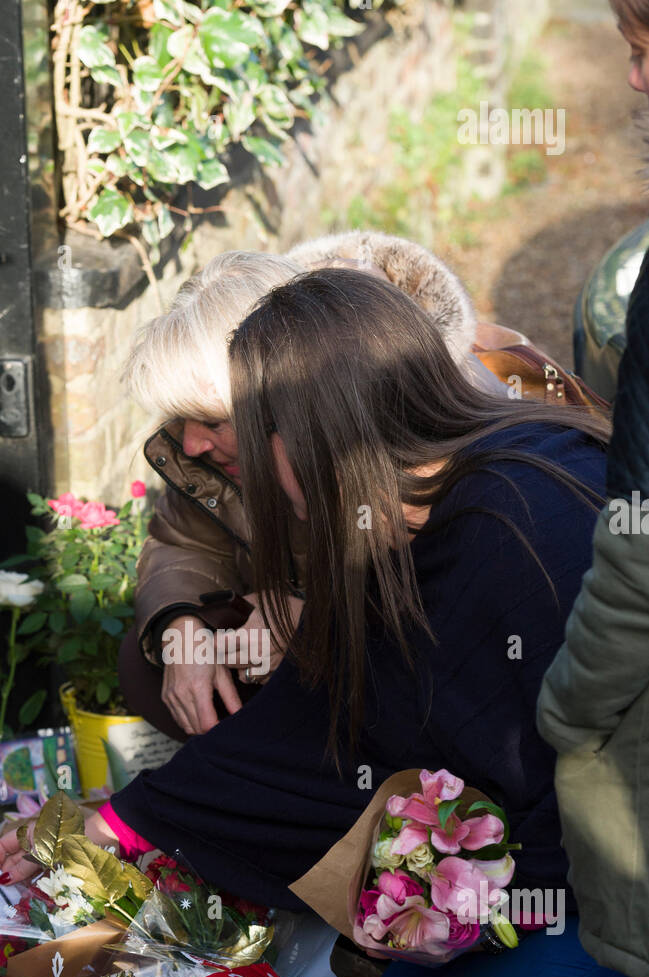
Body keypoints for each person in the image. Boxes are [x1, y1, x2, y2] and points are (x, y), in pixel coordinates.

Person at [0, 267, 649, 977]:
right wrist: (113, 826)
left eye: (242, 431)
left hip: (614, 877)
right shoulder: (417, 510)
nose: (204, 453)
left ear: (310, 433)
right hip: (563, 862)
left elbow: (554, 775)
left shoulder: (514, 526)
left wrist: (484, 897)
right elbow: (314, 731)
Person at [120, 232, 532, 741]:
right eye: (181, 419)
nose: (192, 443)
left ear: (290, 399)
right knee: (143, 667)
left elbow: (450, 602)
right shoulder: (231, 445)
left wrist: (318, 620)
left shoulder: (417, 436)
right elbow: (180, 543)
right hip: (323, 647)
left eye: (213, 421)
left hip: (437, 687)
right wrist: (179, 626)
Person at [536, 0, 649, 977]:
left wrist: (567, 712)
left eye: (648, 49)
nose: (634, 81)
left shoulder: (632, 288)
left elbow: (638, 555)